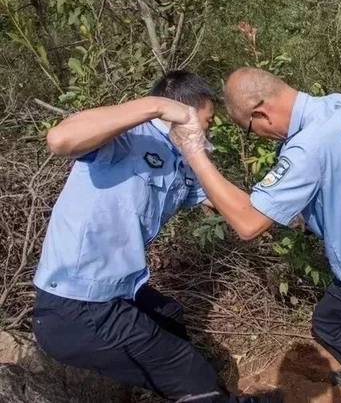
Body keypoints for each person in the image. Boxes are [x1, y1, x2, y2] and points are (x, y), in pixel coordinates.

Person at [32, 71, 278, 403]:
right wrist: (154, 105)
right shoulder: (127, 138)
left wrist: (284, 209)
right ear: (184, 112)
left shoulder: (179, 162)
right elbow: (60, 140)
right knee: (190, 373)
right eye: (206, 122)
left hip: (118, 294)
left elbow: (225, 203)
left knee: (169, 317)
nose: (207, 132)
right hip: (77, 307)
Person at [170, 67, 341, 388]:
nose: (256, 135)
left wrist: (194, 153)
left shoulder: (305, 148)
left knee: (328, 322)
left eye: (249, 129)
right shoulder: (335, 104)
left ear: (261, 114)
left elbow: (248, 224)